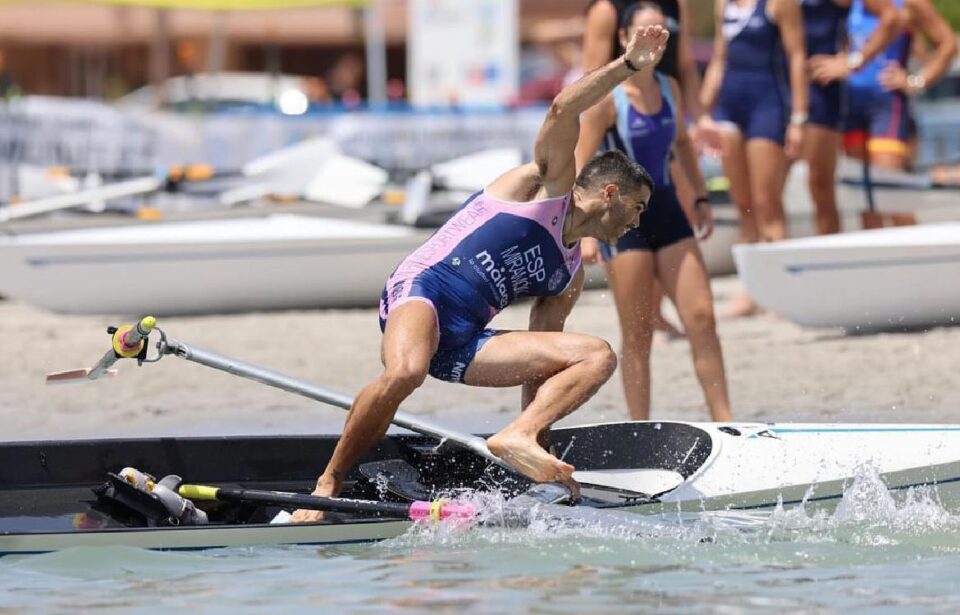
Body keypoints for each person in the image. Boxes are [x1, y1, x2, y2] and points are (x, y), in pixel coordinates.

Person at [291, 25, 670, 523]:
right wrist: (629, 66)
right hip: (422, 290)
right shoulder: (544, 188)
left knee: (595, 355)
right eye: (637, 208)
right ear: (610, 195)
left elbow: (546, 366)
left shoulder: (569, 273)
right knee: (405, 371)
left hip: (467, 339)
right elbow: (564, 109)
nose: (639, 220)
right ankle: (328, 483)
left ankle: (518, 437)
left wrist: (540, 448)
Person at [576, 3, 732, 423]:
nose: (653, 40)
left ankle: (726, 421)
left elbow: (682, 144)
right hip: (622, 222)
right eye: (644, 32)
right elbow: (581, 159)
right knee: (638, 332)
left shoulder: (670, 88)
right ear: (625, 36)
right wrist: (587, 229)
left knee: (701, 318)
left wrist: (699, 197)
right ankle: (639, 427)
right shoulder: (609, 98)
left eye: (660, 33)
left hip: (668, 211)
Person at [582, 0, 704, 338]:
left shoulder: (675, 5)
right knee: (635, 330)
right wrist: (586, 227)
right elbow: (590, 84)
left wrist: (700, 116)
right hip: (622, 116)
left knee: (667, 196)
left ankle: (660, 305)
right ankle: (649, 310)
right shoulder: (606, 10)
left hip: (664, 109)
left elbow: (685, 63)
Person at [698, 0, 808, 316]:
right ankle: (751, 290)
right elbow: (719, 60)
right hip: (731, 105)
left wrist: (799, 117)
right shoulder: (724, 5)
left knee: (766, 203)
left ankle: (782, 291)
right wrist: (702, 112)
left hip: (768, 105)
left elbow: (797, 56)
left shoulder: (779, 4)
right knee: (743, 204)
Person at [815, 0, 956, 171]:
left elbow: (948, 45)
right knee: (853, 185)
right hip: (850, 101)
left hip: (886, 104)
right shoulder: (850, 3)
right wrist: (839, 61)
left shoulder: (910, 4)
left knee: (887, 181)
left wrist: (916, 82)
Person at [799, 0, 899, 234]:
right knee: (864, 201)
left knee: (889, 196)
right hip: (835, 98)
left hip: (881, 102)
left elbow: (893, 18)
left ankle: (917, 263)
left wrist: (917, 81)